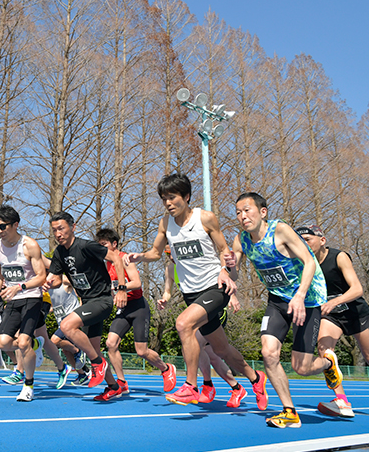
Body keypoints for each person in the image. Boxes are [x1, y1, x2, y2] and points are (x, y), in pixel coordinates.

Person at [126, 174, 267, 410]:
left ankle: (191, 386)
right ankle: (256, 378)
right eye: (164, 199)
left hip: (214, 286)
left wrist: (225, 269)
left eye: (172, 198)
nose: (168, 203)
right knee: (221, 349)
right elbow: (155, 252)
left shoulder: (206, 218)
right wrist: (140, 256)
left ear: (187, 197)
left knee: (183, 324)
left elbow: (224, 250)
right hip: (191, 293)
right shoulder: (165, 223)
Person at [226, 193, 343, 428]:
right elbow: (234, 272)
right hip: (278, 300)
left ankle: (328, 363)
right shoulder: (241, 240)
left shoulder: (280, 231)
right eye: (238, 212)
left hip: (307, 299)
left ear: (263, 212)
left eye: (247, 210)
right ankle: (289, 411)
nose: (242, 216)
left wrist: (300, 295)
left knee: (302, 367)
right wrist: (229, 272)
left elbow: (310, 262)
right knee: (268, 353)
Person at [296, 225, 369, 418]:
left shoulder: (339, 257)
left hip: (355, 312)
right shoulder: (303, 264)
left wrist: (335, 300)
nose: (305, 244)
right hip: (331, 315)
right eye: (301, 241)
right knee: (325, 351)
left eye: (308, 239)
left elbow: (357, 289)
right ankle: (342, 400)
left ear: (322, 240)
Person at [45, 211, 127, 401]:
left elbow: (115, 257)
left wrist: (121, 289)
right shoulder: (59, 253)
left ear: (73, 228)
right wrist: (49, 282)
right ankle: (113, 386)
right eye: (54, 230)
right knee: (94, 348)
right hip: (88, 303)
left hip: (102, 300)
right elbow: (56, 280)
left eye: (62, 229)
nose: (58, 234)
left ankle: (97, 364)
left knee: (66, 325)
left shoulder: (86, 246)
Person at [95, 228, 176, 399]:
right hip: (122, 309)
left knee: (141, 351)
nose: (102, 249)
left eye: (104, 245)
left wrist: (118, 288)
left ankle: (166, 368)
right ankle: (122, 383)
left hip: (138, 307)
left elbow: (137, 283)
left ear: (114, 244)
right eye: (99, 246)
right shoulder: (106, 263)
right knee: (111, 343)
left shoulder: (124, 259)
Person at [159, 248, 243, 406]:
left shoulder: (197, 262)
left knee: (195, 344)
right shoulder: (170, 270)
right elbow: (167, 291)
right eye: (168, 255)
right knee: (212, 356)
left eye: (173, 253)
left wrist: (232, 296)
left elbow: (218, 278)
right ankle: (236, 387)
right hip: (196, 313)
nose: (171, 257)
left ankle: (205, 385)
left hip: (215, 310)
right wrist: (164, 299)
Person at [0, 206, 47, 401]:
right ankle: (35, 344)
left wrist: (20, 287)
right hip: (12, 299)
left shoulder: (29, 245)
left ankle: (28, 385)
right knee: (3, 342)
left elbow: (41, 277)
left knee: (22, 342)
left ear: (15, 225)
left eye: (2, 227)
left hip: (31, 297)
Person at [48, 278, 91, 386]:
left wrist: (82, 304)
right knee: (66, 350)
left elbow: (82, 285)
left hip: (72, 318)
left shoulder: (64, 280)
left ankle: (78, 351)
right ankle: (82, 375)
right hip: (61, 321)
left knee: (54, 340)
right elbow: (54, 305)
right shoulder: (46, 287)